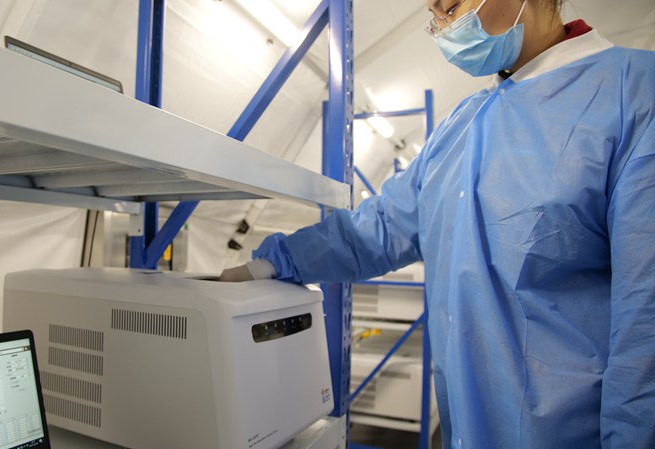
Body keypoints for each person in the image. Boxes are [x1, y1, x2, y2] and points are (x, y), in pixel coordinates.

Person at [220, 0, 655, 448]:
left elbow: (645, 322)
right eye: (436, 17)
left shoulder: (634, 93)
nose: (446, 27)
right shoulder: (463, 123)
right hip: (465, 425)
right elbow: (384, 225)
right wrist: (274, 263)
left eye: (451, 7)